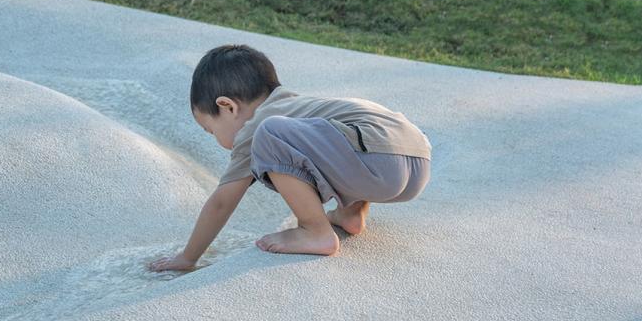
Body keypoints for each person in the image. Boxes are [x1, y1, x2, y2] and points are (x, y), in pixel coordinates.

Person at [149, 43, 432, 269]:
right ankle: (350, 214)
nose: (215, 138)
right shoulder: (299, 107)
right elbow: (340, 152)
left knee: (269, 134)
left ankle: (315, 231)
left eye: (210, 130)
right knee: (329, 146)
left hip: (380, 159)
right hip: (416, 160)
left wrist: (187, 258)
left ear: (227, 107)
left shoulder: (261, 124)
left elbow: (222, 203)